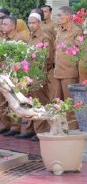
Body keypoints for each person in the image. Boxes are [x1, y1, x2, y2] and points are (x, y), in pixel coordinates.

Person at [24, 10, 55, 141]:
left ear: (40, 23)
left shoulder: (44, 36)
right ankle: (33, 129)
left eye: (33, 23)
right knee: (30, 102)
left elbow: (47, 58)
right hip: (30, 73)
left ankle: (42, 130)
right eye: (29, 23)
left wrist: (40, 74)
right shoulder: (31, 36)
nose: (31, 25)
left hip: (40, 74)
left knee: (41, 102)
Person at [53, 6, 82, 130]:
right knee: (57, 103)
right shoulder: (58, 30)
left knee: (69, 104)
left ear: (68, 16)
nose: (58, 18)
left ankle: (72, 130)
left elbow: (80, 51)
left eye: (60, 15)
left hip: (69, 72)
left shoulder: (76, 31)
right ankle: (59, 128)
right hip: (57, 71)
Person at [0, 16, 30, 137]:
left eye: (5, 24)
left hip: (14, 74)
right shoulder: (3, 38)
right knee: (2, 102)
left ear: (13, 26)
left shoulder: (20, 38)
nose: (2, 26)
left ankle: (15, 127)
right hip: (3, 74)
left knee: (13, 101)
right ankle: (5, 125)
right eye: (2, 24)